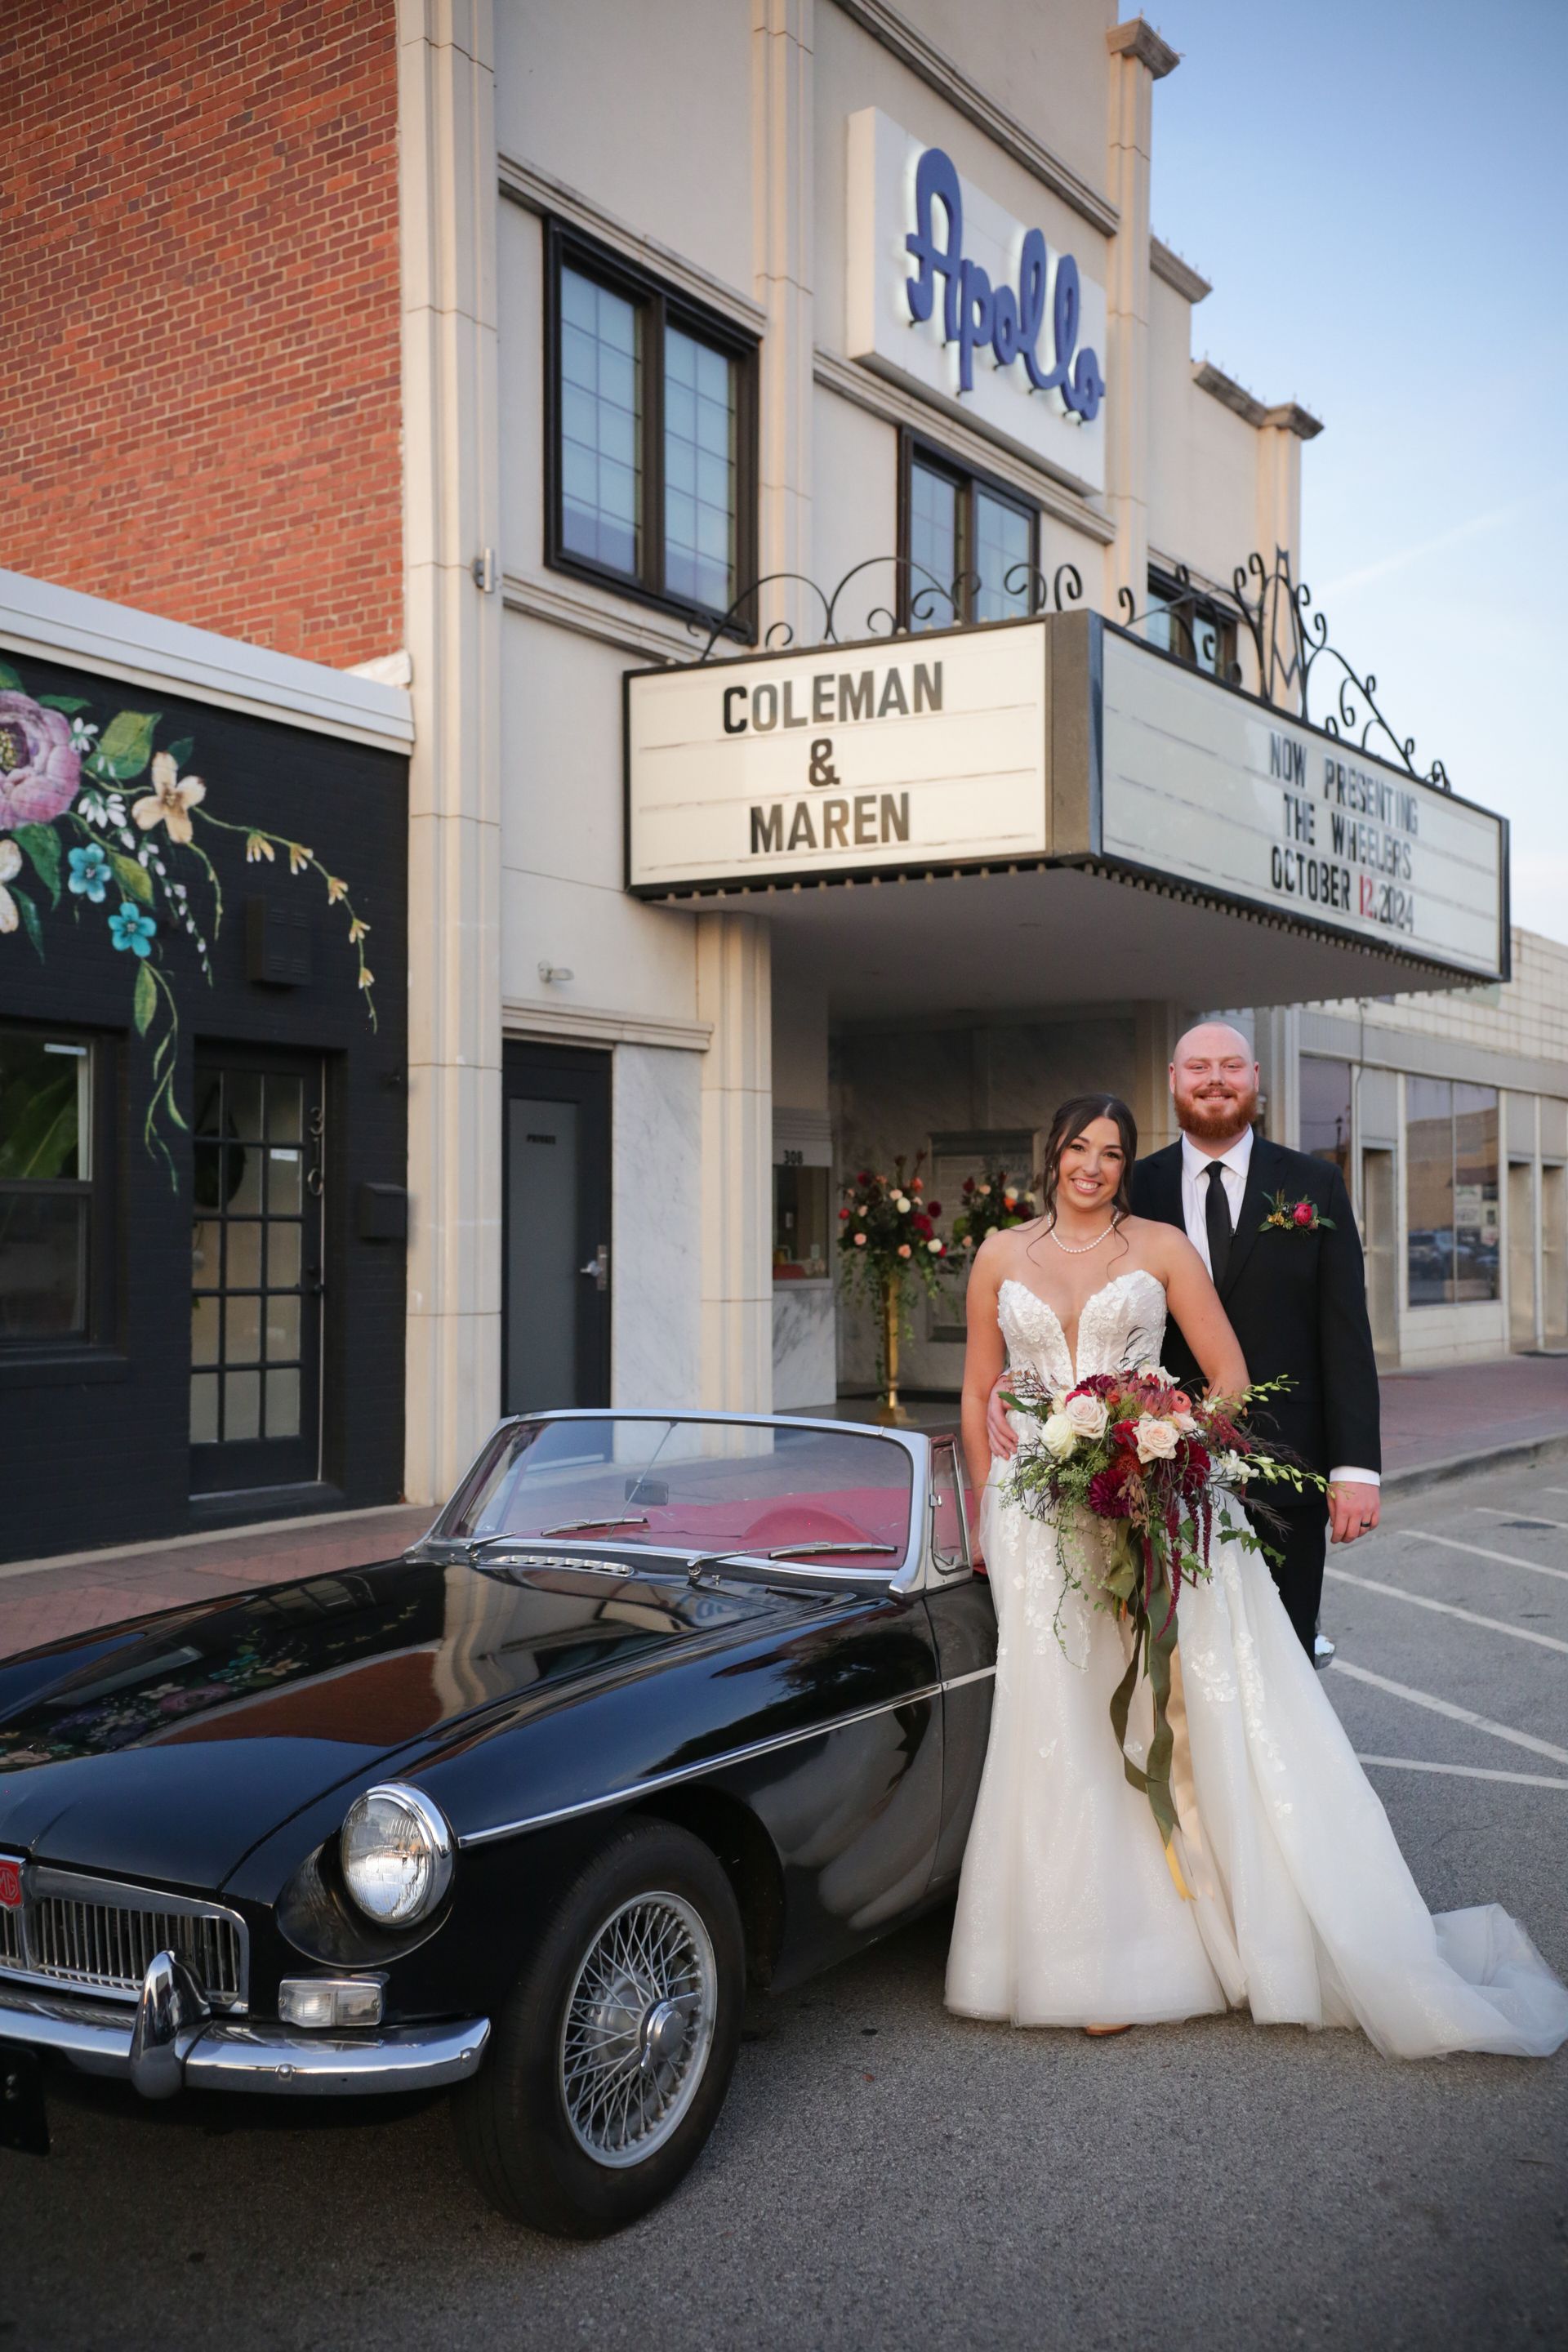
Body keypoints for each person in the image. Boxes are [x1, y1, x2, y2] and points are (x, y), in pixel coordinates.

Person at [945, 1091, 1568, 2054]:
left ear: (1127, 1165)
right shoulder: (998, 1253)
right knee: (1057, 1721)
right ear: (1051, 1155)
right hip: (1033, 1522)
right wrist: (987, 1510)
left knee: (1165, 1712)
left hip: (1146, 1499)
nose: (1093, 1167)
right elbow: (979, 1389)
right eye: (1078, 1148)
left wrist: (1156, 1434)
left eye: (1113, 1152)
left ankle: (1177, 1940)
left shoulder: (1158, 1248)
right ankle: (1067, 1946)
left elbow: (1227, 1375)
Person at [989, 1022, 1379, 1660]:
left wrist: (1356, 1469)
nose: (1215, 1080)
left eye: (1231, 1065)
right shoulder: (1128, 1181)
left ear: (1256, 1078)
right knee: (1171, 1663)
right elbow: (1075, 1298)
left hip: (1284, 1462)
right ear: (1174, 1081)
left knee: (1283, 1657)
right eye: (1198, 1067)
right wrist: (1014, 1380)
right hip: (1143, 1476)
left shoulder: (1315, 1184)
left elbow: (1346, 1334)